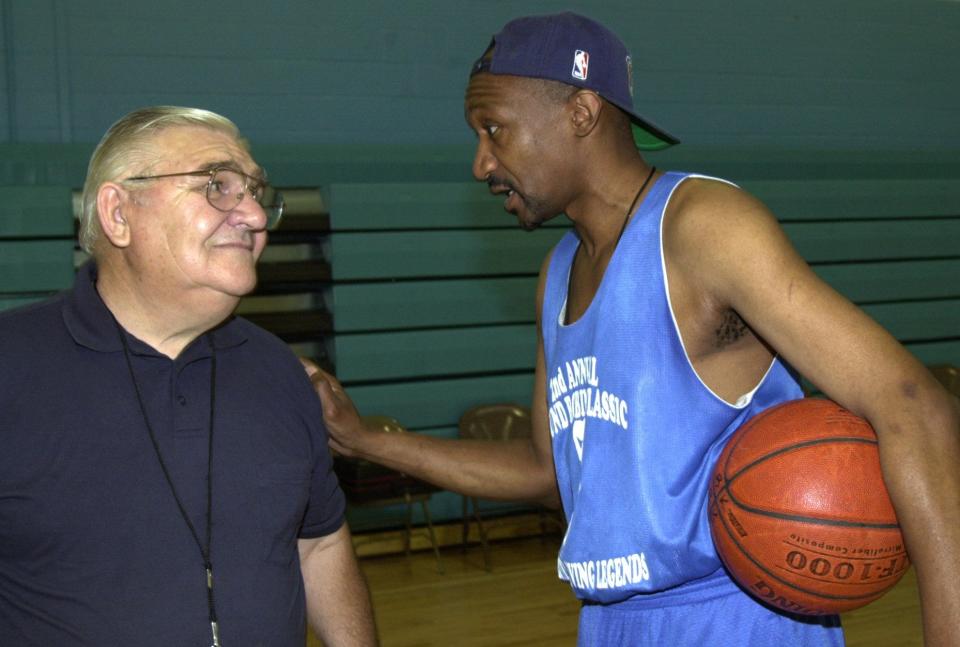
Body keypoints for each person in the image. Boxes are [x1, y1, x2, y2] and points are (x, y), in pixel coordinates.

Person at [306, 12, 960, 647]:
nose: (481, 163)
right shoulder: (557, 271)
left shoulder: (703, 228)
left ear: (581, 113)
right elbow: (545, 471)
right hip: (610, 621)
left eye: (494, 129)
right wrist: (364, 439)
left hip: (734, 616)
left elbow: (912, 402)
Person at [0, 106, 377, 646]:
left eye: (255, 192)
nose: (251, 215)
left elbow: (318, 544)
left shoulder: (282, 372)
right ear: (119, 213)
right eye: (217, 185)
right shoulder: (11, 367)